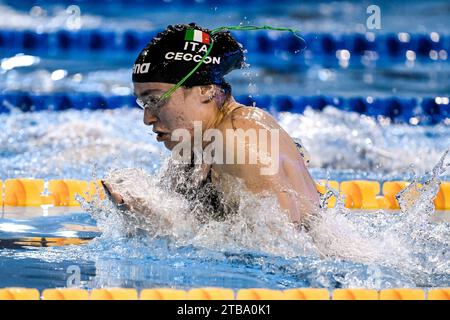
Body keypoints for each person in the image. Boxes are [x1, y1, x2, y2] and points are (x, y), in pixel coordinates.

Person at [102, 23, 320, 228]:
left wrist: (159, 223)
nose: (147, 118)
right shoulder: (196, 148)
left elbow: (280, 253)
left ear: (206, 90)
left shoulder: (238, 137)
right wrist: (141, 214)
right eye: (143, 103)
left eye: (156, 100)